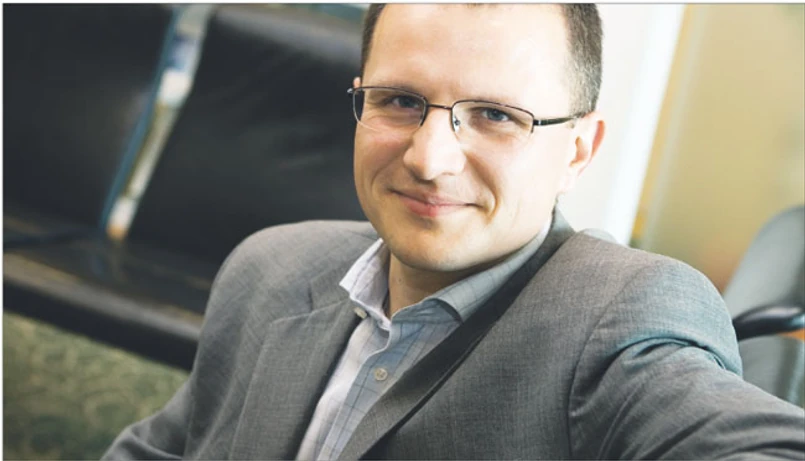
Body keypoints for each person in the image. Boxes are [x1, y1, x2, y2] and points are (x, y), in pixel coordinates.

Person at [103, 4, 805, 460]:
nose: (429, 159)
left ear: (578, 150)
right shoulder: (272, 266)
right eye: (400, 101)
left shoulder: (621, 318)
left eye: (496, 115)